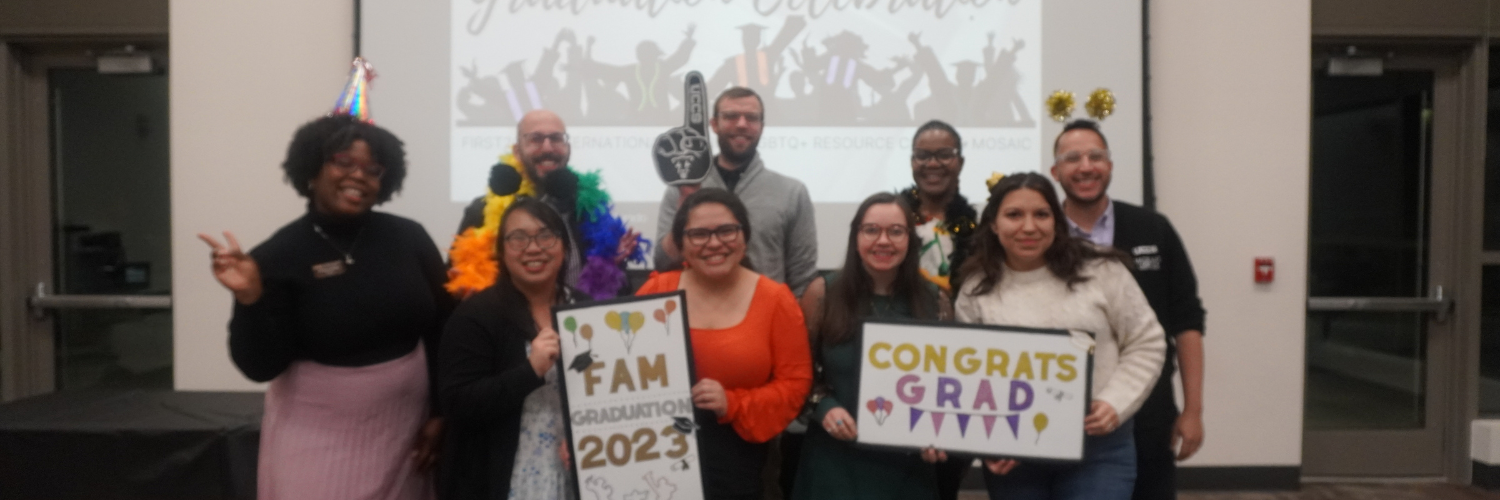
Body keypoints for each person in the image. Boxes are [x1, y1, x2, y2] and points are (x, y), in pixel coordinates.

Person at [199, 113, 452, 499]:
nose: (358, 176)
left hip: (406, 429)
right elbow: (260, 366)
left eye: (372, 169)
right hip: (315, 434)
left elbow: (443, 328)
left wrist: (440, 411)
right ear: (312, 170)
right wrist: (250, 299)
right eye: (343, 162)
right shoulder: (278, 255)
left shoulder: (409, 238)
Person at [952, 172, 1165, 500]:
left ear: (1057, 220)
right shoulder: (976, 289)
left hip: (1098, 448)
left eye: (1041, 214)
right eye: (1014, 215)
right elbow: (969, 377)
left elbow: (1146, 341)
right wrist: (987, 440)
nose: (1029, 227)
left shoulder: (1100, 270)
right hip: (1016, 451)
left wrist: (1115, 402)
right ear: (993, 225)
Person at [1048, 120, 1206, 500]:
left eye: (1095, 156)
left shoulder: (1152, 229)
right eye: (1072, 158)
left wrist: (1193, 410)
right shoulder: (1042, 234)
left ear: (1111, 165)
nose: (1085, 166)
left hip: (1149, 410)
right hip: (1065, 407)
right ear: (1055, 172)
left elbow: (1187, 322)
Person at [636, 188, 813, 500]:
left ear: (744, 237)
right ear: (681, 243)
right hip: (654, 462)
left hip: (738, 463)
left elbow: (795, 385)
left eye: (726, 231)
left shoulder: (775, 300)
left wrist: (733, 404)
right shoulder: (656, 292)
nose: (714, 243)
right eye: (699, 234)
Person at [791, 192, 949, 500]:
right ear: (856, 237)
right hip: (834, 459)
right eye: (871, 230)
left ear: (910, 239)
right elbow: (799, 376)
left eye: (896, 231)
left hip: (907, 465)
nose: (883, 241)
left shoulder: (936, 302)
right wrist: (824, 407)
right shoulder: (822, 294)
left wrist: (939, 433)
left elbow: (946, 385)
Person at [437, 198, 580, 499]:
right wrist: (530, 370)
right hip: (505, 477)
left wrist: (588, 436)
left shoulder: (585, 309)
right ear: (501, 251)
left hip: (576, 472)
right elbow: (458, 404)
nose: (533, 248)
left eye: (545, 235)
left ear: (565, 246)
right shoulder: (475, 315)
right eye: (518, 238)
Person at [449, 109, 644, 300]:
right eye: (536, 139)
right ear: (517, 151)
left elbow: (615, 291)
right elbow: (459, 281)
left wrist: (611, 264)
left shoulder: (589, 208)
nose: (548, 148)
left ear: (568, 148)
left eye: (556, 139)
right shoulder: (482, 211)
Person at [653, 87, 818, 298]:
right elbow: (663, 262)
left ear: (761, 127)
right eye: (731, 116)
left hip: (765, 317)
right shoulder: (681, 189)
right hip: (698, 316)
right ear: (714, 124)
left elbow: (802, 276)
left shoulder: (792, 192)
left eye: (751, 118)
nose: (742, 124)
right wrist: (686, 200)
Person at [899, 119, 978, 294]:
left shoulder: (977, 229)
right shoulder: (894, 219)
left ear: (960, 162)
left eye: (944, 155)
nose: (933, 163)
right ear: (912, 162)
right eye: (922, 155)